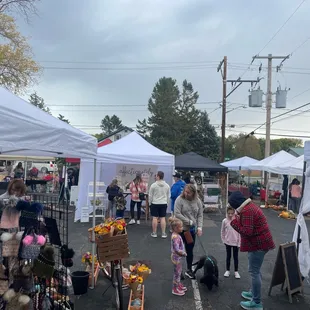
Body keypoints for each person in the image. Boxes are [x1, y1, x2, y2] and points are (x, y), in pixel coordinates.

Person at [229, 191, 275, 310]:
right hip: (261, 243)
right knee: (255, 270)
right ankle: (253, 292)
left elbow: (247, 232)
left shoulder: (247, 211)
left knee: (254, 272)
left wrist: (233, 222)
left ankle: (256, 302)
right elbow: (248, 227)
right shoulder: (249, 206)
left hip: (258, 245)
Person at [174, 184, 203, 279]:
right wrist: (189, 221)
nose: (186, 194)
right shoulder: (179, 199)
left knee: (190, 250)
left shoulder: (197, 201)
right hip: (181, 229)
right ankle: (178, 270)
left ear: (193, 193)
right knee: (179, 251)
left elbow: (200, 215)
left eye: (188, 192)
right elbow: (177, 213)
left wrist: (199, 227)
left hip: (191, 231)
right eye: (185, 192)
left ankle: (189, 269)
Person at [221, 206, 241, 279]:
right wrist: (224, 240)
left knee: (235, 257)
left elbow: (240, 232)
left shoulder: (237, 220)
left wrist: (239, 243)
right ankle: (227, 270)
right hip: (228, 242)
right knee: (228, 256)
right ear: (226, 213)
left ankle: (236, 271)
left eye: (232, 214)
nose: (230, 215)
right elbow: (222, 231)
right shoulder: (224, 221)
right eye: (228, 213)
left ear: (234, 213)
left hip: (235, 242)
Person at [149, 171, 170, 238]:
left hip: (155, 203)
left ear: (158, 176)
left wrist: (150, 203)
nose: (155, 177)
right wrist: (167, 203)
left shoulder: (153, 185)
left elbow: (150, 196)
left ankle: (154, 233)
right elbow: (168, 196)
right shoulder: (167, 185)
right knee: (162, 218)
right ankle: (163, 233)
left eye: (156, 175)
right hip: (163, 203)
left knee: (155, 218)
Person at [169, 217, 187, 296]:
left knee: (179, 272)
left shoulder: (177, 235)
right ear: (175, 228)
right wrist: (183, 253)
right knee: (177, 273)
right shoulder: (175, 237)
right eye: (181, 227)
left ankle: (178, 284)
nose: (182, 228)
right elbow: (176, 249)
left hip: (178, 257)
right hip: (176, 257)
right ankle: (175, 288)